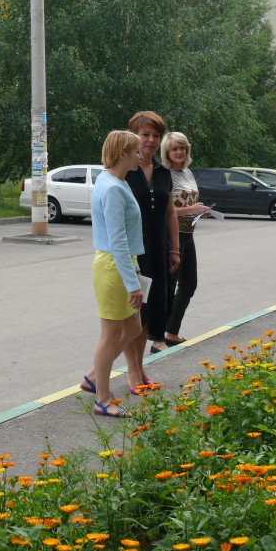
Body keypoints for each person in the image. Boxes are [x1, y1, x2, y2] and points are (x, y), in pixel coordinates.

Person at [79, 130, 144, 418]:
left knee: (133, 328)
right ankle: (102, 398)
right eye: (136, 151)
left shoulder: (112, 180)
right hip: (113, 266)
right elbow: (117, 239)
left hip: (120, 263)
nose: (140, 156)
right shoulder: (114, 188)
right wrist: (133, 283)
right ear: (122, 154)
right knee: (110, 335)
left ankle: (95, 376)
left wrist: (135, 271)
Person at [122, 111, 180, 390]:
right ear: (133, 135)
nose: (151, 140)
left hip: (157, 249)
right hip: (133, 252)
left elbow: (170, 213)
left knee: (148, 313)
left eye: (156, 135)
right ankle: (130, 374)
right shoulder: (124, 170)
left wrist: (175, 249)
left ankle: (139, 368)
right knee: (133, 314)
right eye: (145, 134)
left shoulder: (163, 172)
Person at [161, 131, 207, 347]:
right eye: (174, 149)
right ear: (167, 152)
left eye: (183, 148)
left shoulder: (187, 173)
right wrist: (192, 208)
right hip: (173, 236)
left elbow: (188, 203)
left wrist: (200, 210)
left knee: (189, 284)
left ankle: (171, 331)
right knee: (169, 287)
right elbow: (163, 211)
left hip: (189, 234)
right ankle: (160, 335)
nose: (179, 152)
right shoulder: (164, 174)